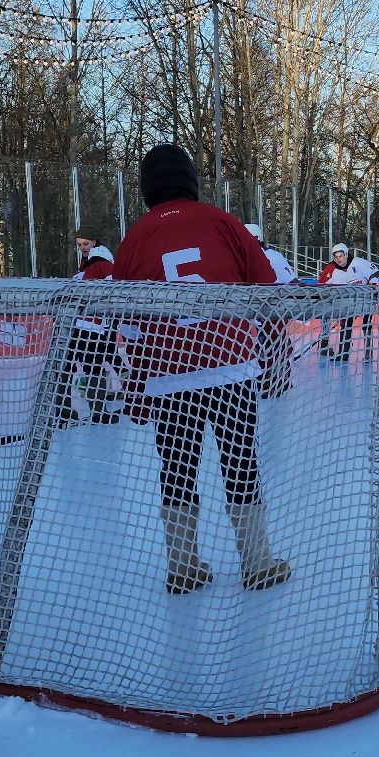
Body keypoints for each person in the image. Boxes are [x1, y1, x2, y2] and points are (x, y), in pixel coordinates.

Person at [112, 143, 289, 595]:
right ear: (191, 179)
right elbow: (267, 290)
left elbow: (127, 325)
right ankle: (257, 563)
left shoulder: (135, 238)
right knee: (241, 463)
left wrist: (137, 386)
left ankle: (183, 567)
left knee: (176, 469)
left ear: (147, 188)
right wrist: (271, 357)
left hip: (169, 378)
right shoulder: (224, 222)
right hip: (232, 369)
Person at [62, 236, 122, 424]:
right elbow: (115, 291)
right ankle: (98, 412)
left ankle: (62, 413)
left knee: (66, 368)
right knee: (94, 369)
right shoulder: (104, 266)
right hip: (91, 328)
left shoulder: (79, 273)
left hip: (69, 326)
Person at [246, 224, 299, 397]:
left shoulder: (273, 257)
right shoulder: (243, 258)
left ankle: (279, 381)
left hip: (274, 312)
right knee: (261, 347)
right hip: (255, 313)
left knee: (276, 345)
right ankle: (265, 380)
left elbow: (292, 283)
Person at [315, 243, 378, 360]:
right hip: (347, 302)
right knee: (344, 323)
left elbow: (374, 271)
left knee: (366, 323)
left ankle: (368, 354)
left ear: (346, 254)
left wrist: (372, 286)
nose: (338, 259)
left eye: (341, 256)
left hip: (365, 299)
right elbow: (322, 286)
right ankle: (343, 353)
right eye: (336, 256)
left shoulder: (360, 263)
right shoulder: (331, 269)